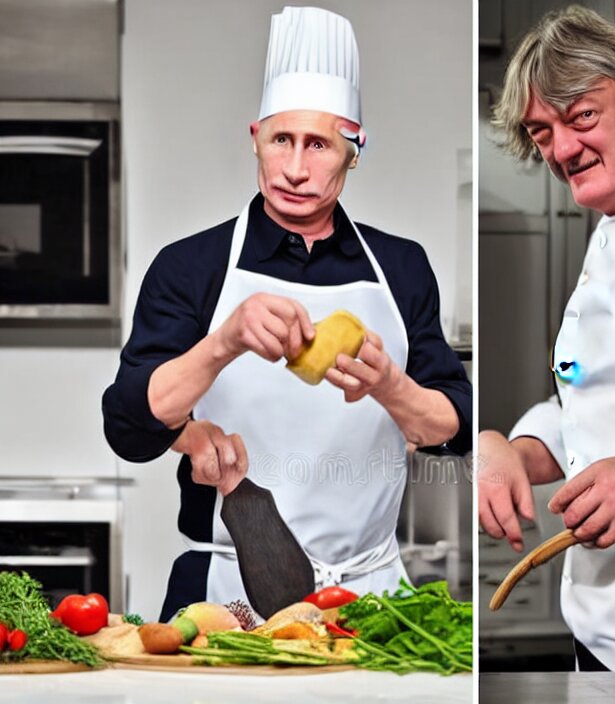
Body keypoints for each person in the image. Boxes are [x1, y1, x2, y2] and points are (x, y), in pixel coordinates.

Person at [103, 6, 471, 624]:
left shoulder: (403, 268)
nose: (296, 169)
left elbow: (453, 428)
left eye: (320, 144)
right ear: (255, 137)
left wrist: (390, 386)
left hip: (370, 596)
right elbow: (130, 427)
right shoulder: (191, 266)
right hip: (226, 590)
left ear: (354, 152)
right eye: (282, 140)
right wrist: (224, 342)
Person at [477, 4, 615, 699]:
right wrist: (512, 446)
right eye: (543, 131)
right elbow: (600, 397)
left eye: (581, 118)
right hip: (606, 634)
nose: (562, 150)